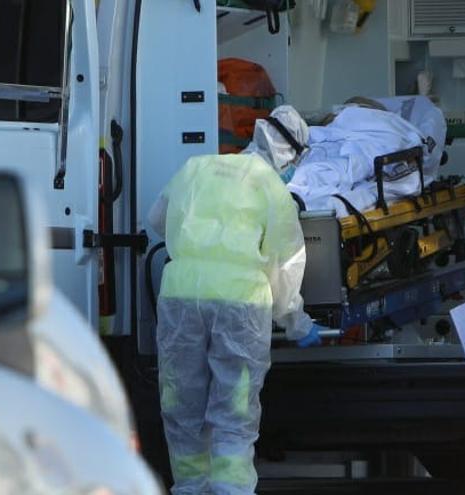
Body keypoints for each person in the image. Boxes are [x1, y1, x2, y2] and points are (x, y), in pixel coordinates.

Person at [147, 105, 324, 495]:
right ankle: (230, 490)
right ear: (290, 155)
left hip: (181, 295)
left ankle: (190, 487)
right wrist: (298, 324)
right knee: (234, 406)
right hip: (239, 305)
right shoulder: (272, 188)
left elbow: (156, 218)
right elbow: (286, 266)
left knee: (182, 401)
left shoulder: (195, 168)